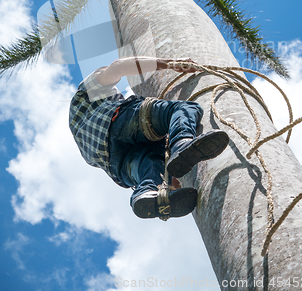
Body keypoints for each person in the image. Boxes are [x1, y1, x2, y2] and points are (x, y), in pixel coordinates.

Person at [69, 57, 229, 220]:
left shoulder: (79, 125)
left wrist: (171, 179)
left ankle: (148, 192)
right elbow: (117, 67)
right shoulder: (87, 90)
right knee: (182, 109)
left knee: (152, 164)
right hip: (116, 124)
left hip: (116, 163)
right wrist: (169, 63)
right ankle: (181, 142)